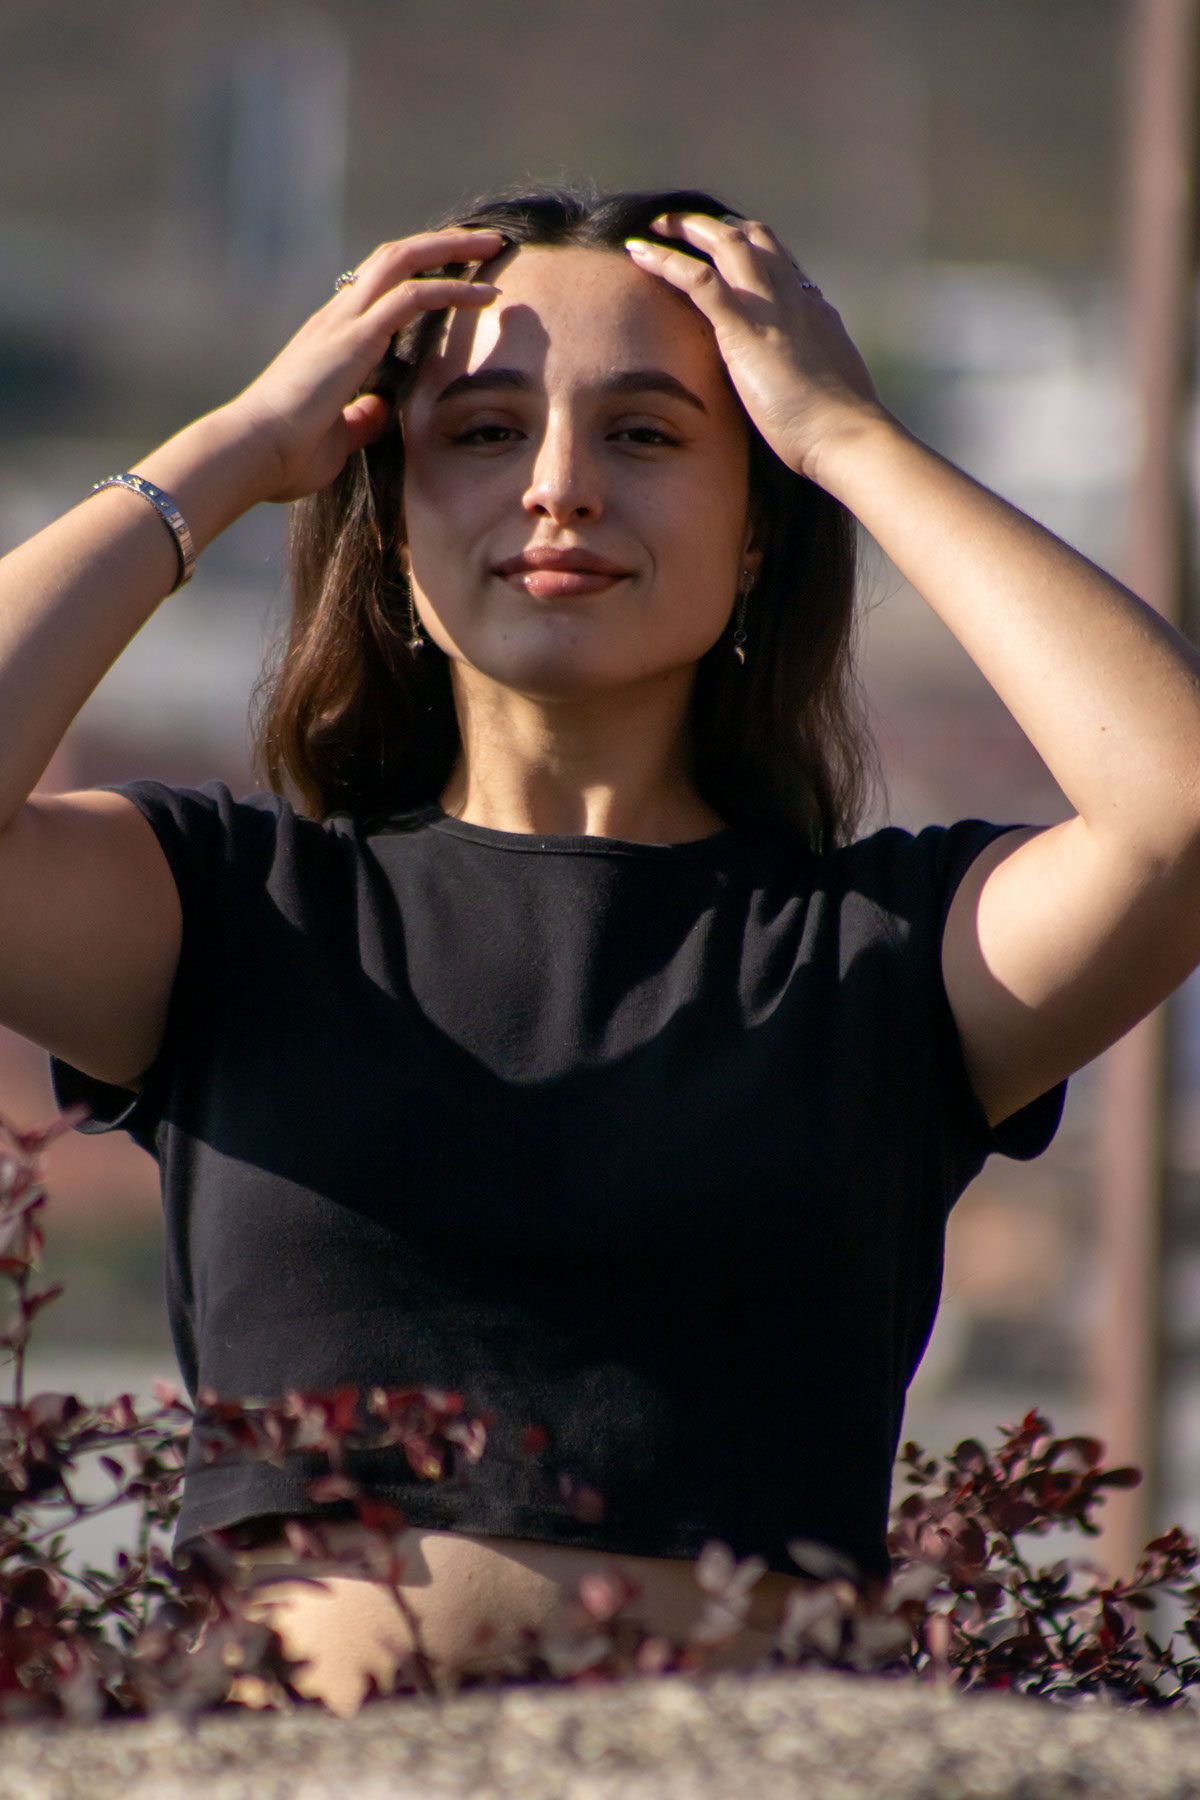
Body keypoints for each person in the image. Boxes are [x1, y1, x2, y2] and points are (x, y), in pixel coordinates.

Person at [2, 184, 1200, 1714]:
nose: (560, 487)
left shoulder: (881, 950)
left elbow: (1178, 818)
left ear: (755, 528)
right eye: (486, 431)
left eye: (644, 433)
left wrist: (850, 439)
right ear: (392, 510)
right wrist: (235, 449)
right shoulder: (236, 910)